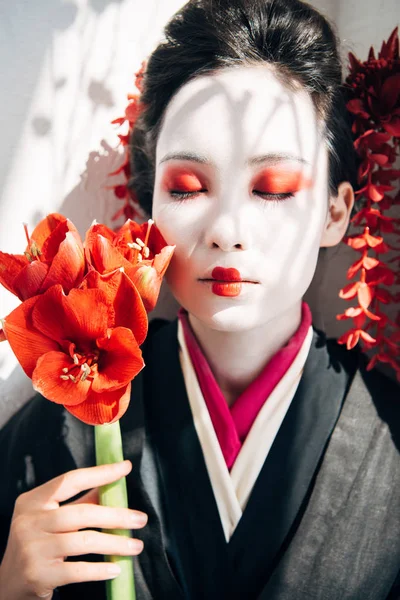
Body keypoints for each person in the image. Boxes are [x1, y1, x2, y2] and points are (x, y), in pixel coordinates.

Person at [0, 0, 399, 598]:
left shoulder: (388, 433)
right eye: (188, 187)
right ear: (147, 208)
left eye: (274, 188)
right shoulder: (64, 423)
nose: (226, 227)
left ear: (336, 212)